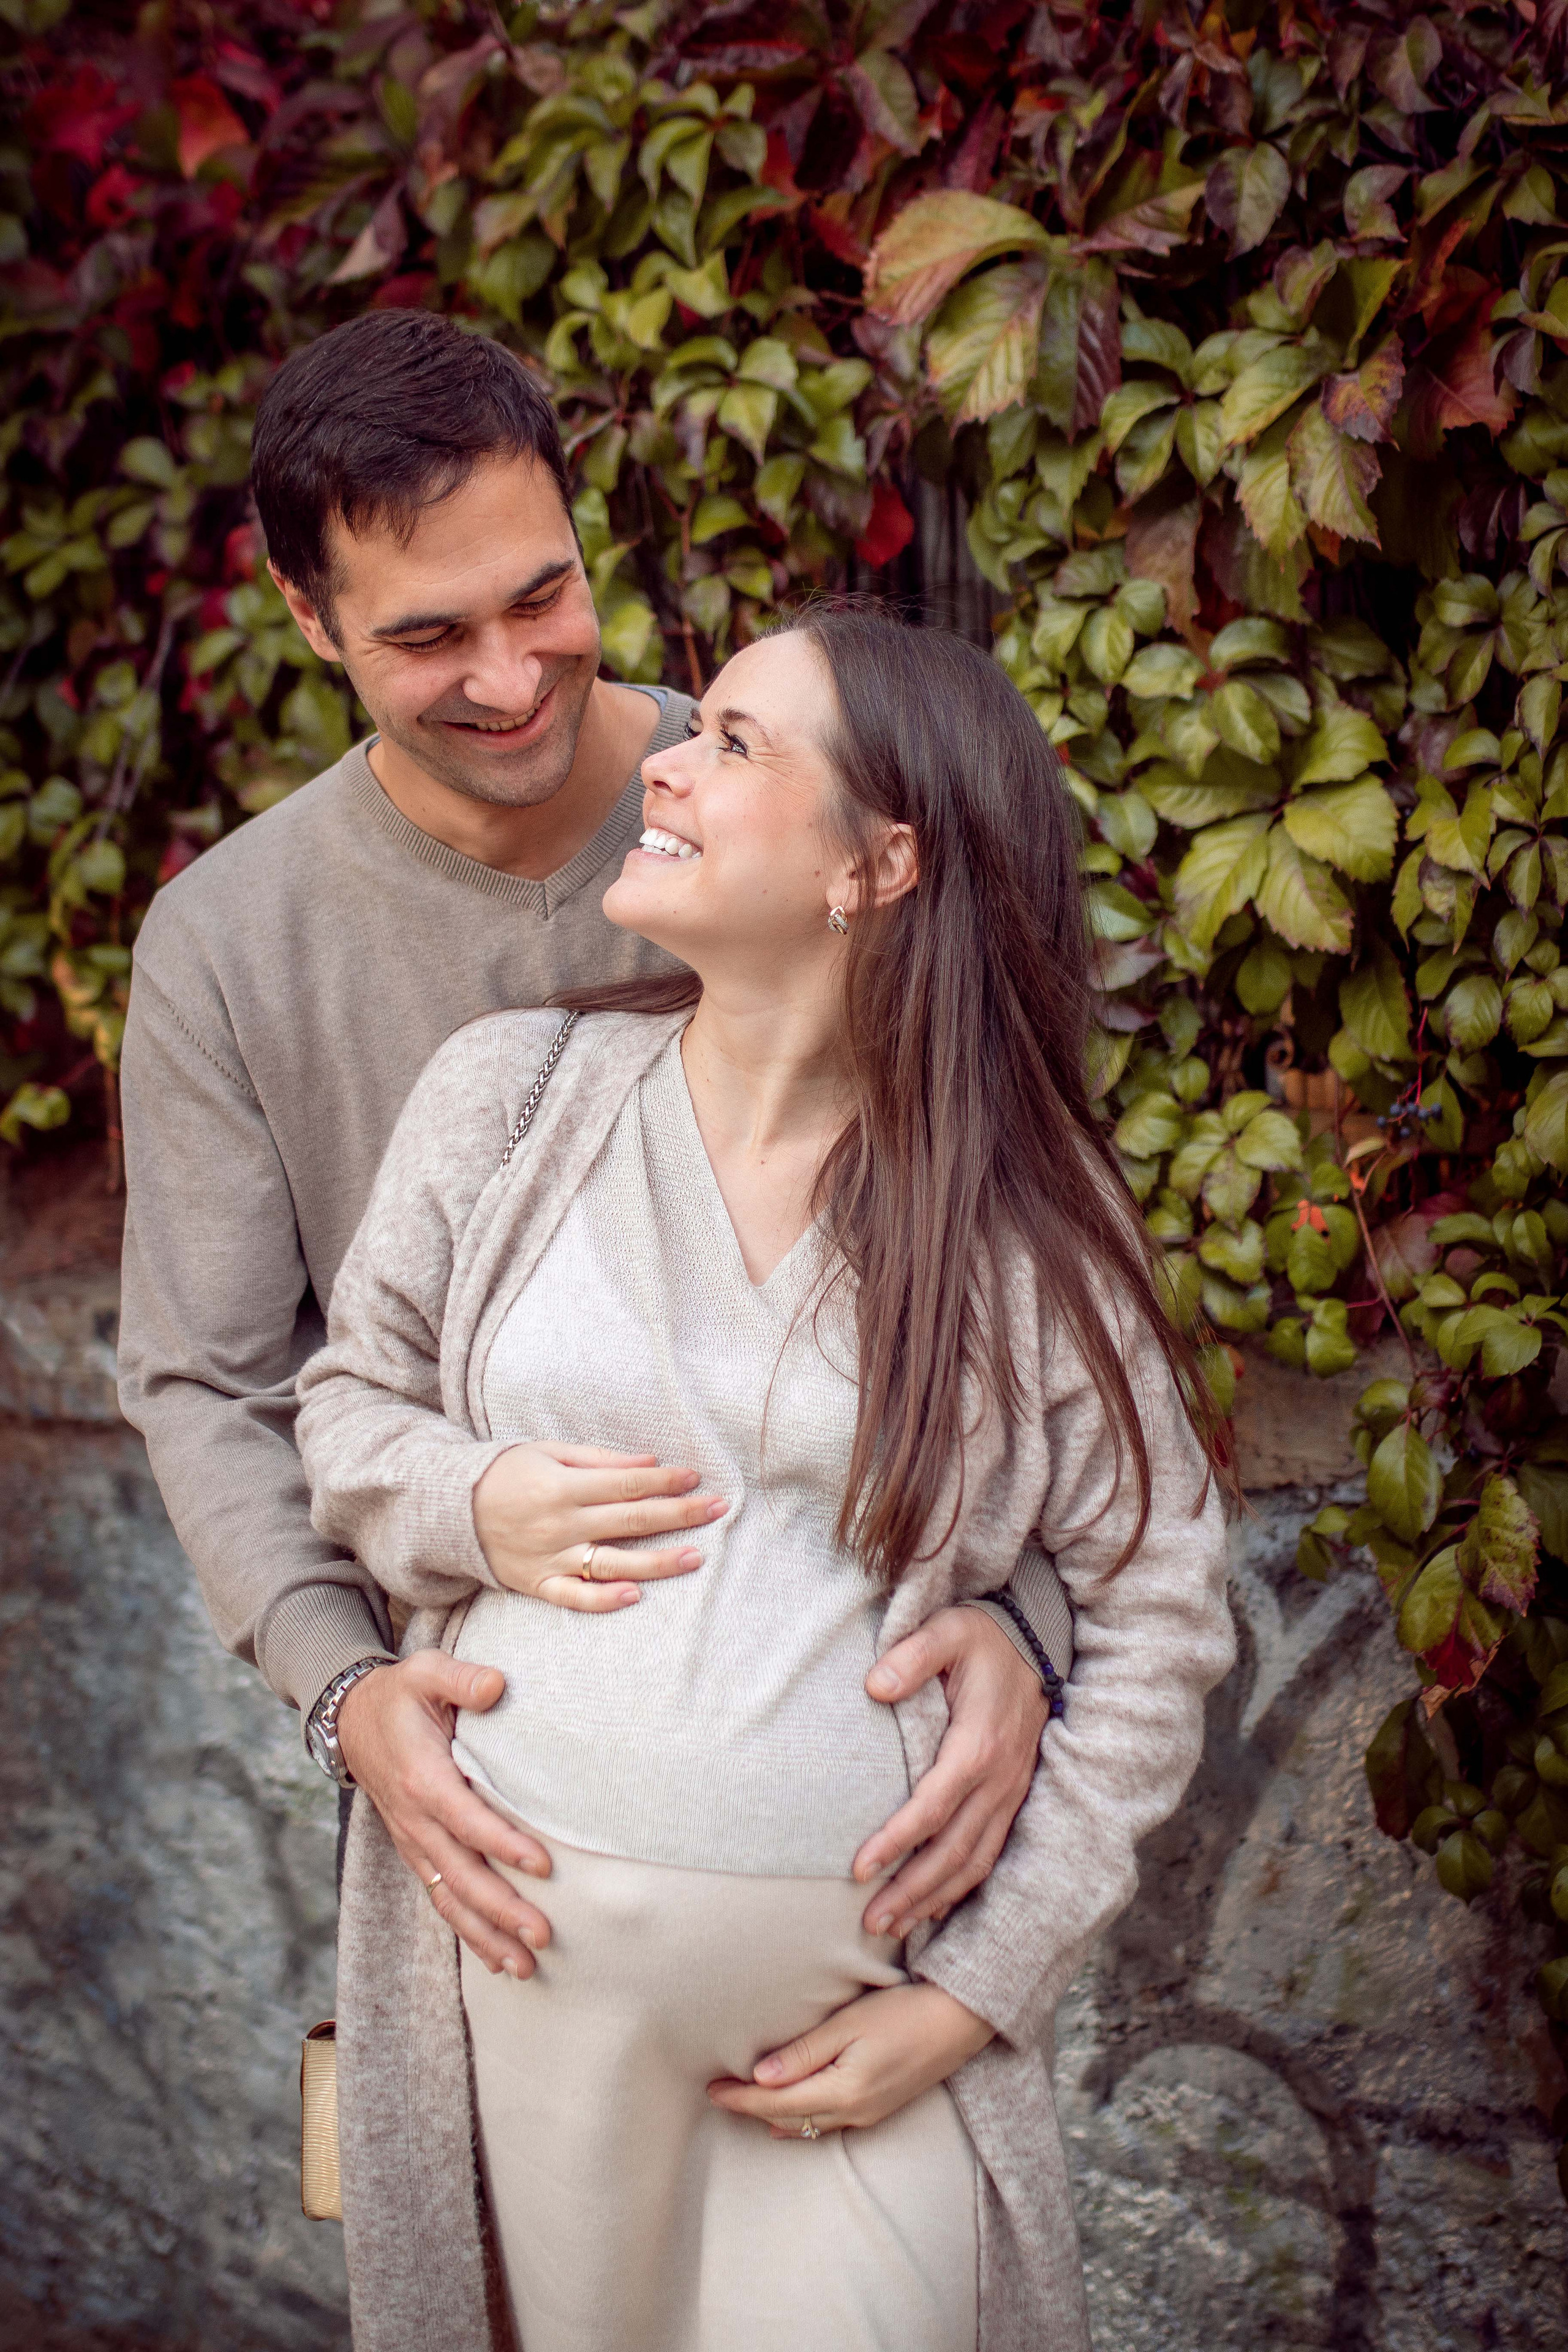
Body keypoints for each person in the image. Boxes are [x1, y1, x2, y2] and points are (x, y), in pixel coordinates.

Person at [295, 608, 1237, 2351]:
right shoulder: (510, 1095)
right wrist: (467, 1498)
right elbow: (348, 1407)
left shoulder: (1020, 1215)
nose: (660, 759)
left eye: (735, 742)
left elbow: (1161, 1602)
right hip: (523, 1993)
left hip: (854, 2035)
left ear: (878, 861)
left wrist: (974, 1994)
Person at [116, 310, 1066, 1988]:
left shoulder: (788, 798)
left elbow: (1017, 1262)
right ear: (305, 616)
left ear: (579, 528)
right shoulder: (228, 945)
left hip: (867, 1820)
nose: (507, 676)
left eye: (541, 597)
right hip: (485, 1798)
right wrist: (349, 1696)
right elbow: (207, 1380)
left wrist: (1025, 1631)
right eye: (427, 636)